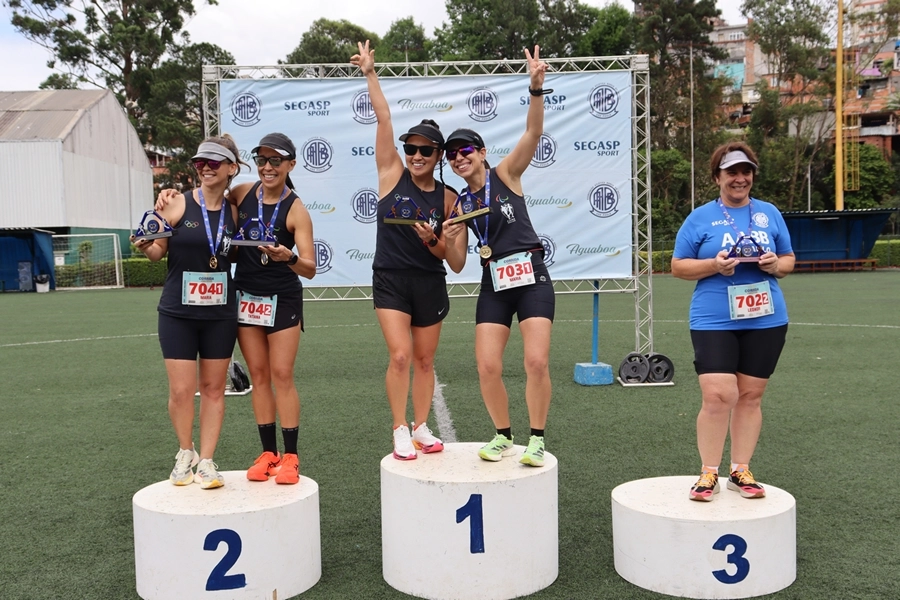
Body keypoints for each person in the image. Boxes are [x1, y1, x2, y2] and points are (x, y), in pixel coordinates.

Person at [351, 40, 465, 460]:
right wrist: (370, 72)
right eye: (411, 148)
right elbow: (383, 117)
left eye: (425, 150)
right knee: (400, 356)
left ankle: (420, 426)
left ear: (438, 156)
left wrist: (433, 240)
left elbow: (454, 262)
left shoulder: (449, 199)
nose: (416, 156)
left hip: (429, 282)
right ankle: (399, 427)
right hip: (390, 279)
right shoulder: (390, 173)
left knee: (424, 361)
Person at [441, 45, 553, 467]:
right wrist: (446, 238)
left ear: (482, 152)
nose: (459, 159)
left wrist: (535, 88)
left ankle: (537, 438)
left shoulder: (506, 174)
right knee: (487, 366)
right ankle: (503, 434)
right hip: (494, 281)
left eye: (465, 151)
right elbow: (456, 262)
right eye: (452, 156)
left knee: (536, 361)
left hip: (530, 276)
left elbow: (533, 134)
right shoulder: (459, 204)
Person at [671, 141, 795, 502]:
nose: (740, 178)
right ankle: (708, 472)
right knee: (718, 395)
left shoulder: (769, 213)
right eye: (732, 173)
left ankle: (740, 470)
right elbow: (678, 266)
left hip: (766, 318)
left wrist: (776, 265)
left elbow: (788, 259)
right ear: (717, 177)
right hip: (714, 318)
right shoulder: (700, 218)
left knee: (751, 396)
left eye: (746, 172)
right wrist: (714, 265)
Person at [133, 136, 243, 489]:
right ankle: (186, 451)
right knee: (182, 390)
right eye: (199, 163)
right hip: (178, 312)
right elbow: (157, 252)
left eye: (214, 162)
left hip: (220, 314)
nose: (205, 168)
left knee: (213, 389)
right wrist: (144, 246)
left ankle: (207, 461)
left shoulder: (236, 210)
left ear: (231, 168)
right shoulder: (176, 202)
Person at [229, 133, 316, 485]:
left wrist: (288, 257)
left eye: (276, 161)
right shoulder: (241, 193)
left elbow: (310, 268)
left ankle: (291, 457)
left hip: (282, 299)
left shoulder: (296, 209)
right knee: (259, 375)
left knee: (282, 374)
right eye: (262, 160)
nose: (268, 167)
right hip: (247, 297)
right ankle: (269, 454)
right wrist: (172, 197)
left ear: (290, 165)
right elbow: (209, 199)